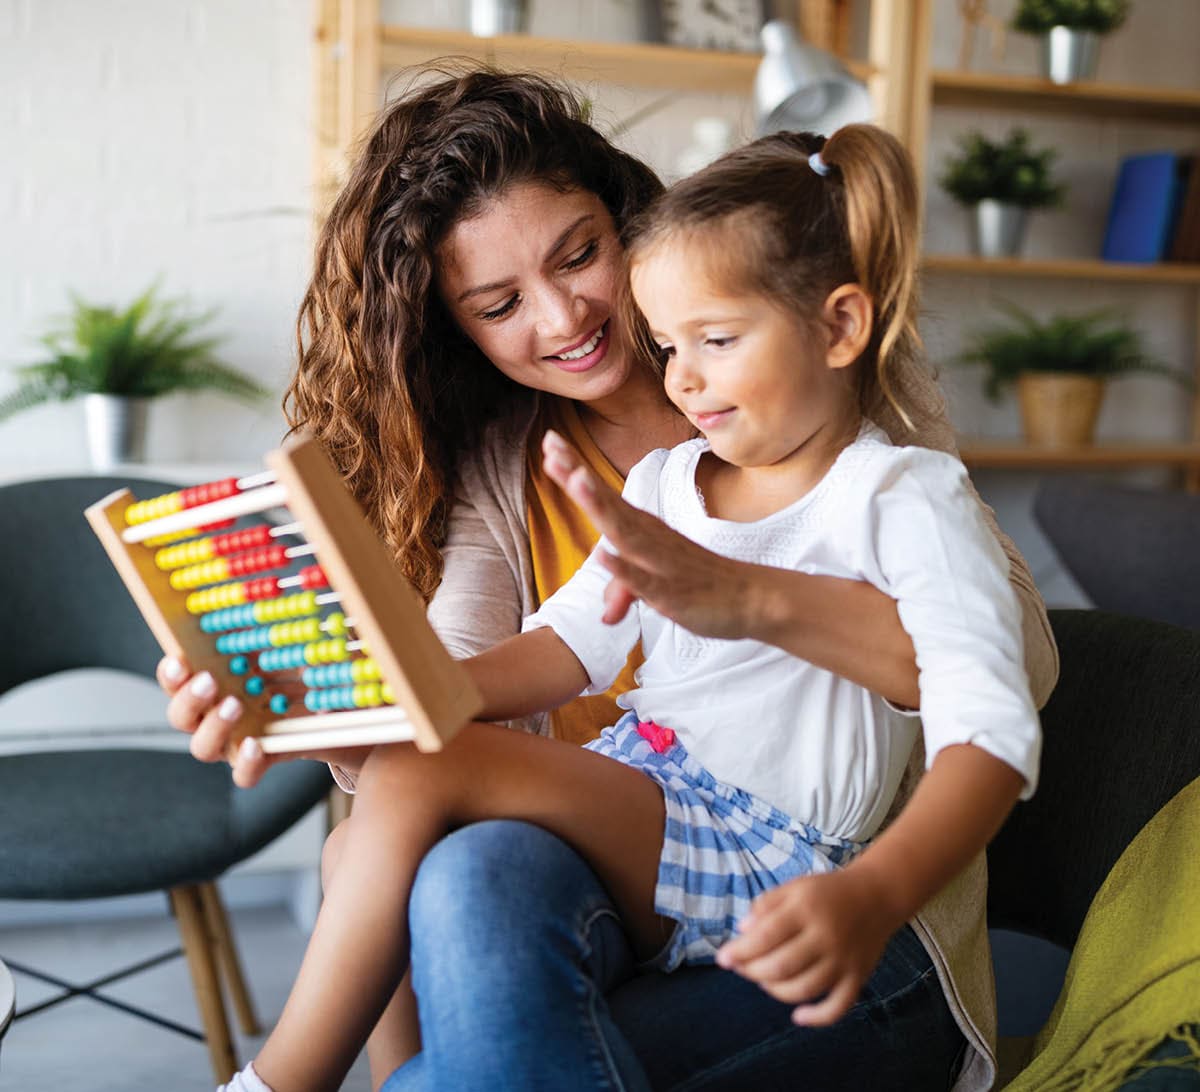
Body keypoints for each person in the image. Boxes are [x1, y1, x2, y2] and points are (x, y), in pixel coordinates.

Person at [161, 69, 1058, 1092]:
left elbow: (1009, 671)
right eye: (499, 305)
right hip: (647, 855)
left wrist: (744, 598)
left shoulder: (853, 426)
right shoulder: (609, 473)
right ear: (457, 331)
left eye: (581, 255)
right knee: (450, 853)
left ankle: (278, 1082)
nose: (562, 317)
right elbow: (499, 672)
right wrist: (308, 694)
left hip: (830, 899)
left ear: (629, 223)